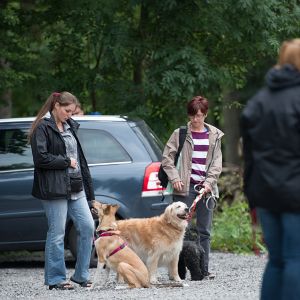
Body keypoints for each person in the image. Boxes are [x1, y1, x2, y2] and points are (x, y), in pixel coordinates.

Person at [241, 39, 300, 300]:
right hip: (296, 194)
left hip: (264, 194)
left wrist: (252, 199)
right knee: (295, 260)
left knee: (276, 260)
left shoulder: (258, 102)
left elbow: (249, 159)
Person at [28, 91, 95, 290]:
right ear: (56, 106)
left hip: (76, 186)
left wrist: (89, 191)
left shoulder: (70, 126)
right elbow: (40, 158)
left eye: (72, 112)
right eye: (67, 111)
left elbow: (80, 160)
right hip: (54, 188)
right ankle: (56, 279)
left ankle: (81, 275)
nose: (69, 115)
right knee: (57, 233)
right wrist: (66, 162)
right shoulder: (43, 127)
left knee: (88, 226)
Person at [161, 95, 224, 279]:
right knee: (179, 230)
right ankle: (177, 271)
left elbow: (216, 163)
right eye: (192, 115)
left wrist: (208, 183)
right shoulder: (180, 133)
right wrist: (174, 178)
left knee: (204, 231)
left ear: (205, 114)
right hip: (184, 188)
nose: (196, 120)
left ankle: (203, 270)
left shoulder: (214, 135)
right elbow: (167, 158)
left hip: (206, 189)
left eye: (199, 115)